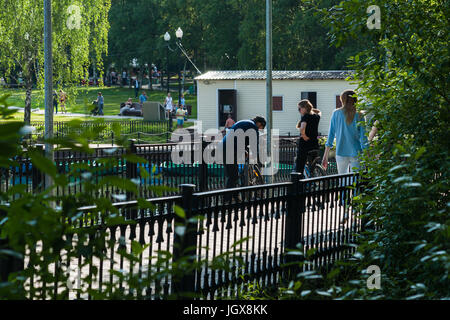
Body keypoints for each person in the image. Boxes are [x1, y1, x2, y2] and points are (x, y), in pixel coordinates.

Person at [321, 89, 368, 174]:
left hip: (341, 152)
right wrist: (367, 153)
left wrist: (325, 156)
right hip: (356, 152)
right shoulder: (360, 115)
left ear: (342, 100)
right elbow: (363, 137)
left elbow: (331, 135)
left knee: (342, 182)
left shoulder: (336, 113)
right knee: (356, 181)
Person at [221, 116, 266, 190]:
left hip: (226, 146)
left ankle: (234, 197)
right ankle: (228, 199)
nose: (259, 130)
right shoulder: (253, 127)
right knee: (233, 176)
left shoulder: (246, 122)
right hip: (230, 149)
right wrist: (258, 160)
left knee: (233, 175)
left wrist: (244, 150)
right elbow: (254, 145)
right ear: (259, 123)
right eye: (261, 127)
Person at [295, 99, 322, 176]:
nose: (299, 110)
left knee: (299, 166)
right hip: (314, 143)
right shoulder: (316, 116)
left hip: (305, 144)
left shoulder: (305, 117)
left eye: (299, 108)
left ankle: (298, 183)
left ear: (304, 108)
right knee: (313, 164)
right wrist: (311, 109)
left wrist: (304, 136)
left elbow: (302, 128)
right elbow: (319, 112)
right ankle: (314, 178)